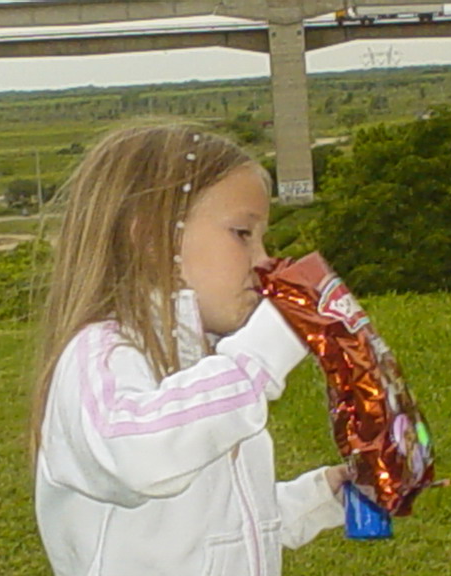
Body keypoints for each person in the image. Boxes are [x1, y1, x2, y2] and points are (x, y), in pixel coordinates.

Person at [31, 121, 349, 576]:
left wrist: (322, 496)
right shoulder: (99, 356)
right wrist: (260, 357)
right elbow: (140, 457)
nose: (264, 261)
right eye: (242, 233)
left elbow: (220, 519)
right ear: (151, 239)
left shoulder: (208, 368)